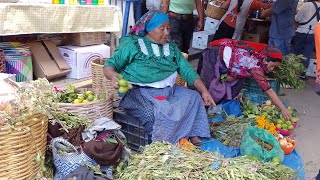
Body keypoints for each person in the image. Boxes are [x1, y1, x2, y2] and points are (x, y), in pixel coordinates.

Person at [103, 10, 215, 145]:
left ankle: (192, 133)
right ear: (149, 29)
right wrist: (114, 76)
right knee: (153, 114)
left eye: (168, 28)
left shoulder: (171, 48)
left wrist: (204, 91)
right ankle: (162, 144)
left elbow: (187, 71)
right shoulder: (132, 44)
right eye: (161, 29)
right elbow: (109, 65)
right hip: (139, 93)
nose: (166, 32)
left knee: (194, 98)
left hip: (169, 92)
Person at [197, 38, 292, 120]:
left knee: (234, 85)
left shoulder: (259, 55)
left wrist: (232, 74)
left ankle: (216, 107)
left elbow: (240, 64)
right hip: (214, 55)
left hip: (229, 60)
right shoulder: (254, 64)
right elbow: (268, 90)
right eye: (272, 66)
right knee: (206, 86)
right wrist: (283, 108)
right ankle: (199, 110)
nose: (271, 69)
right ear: (265, 59)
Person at [293, 0, 320, 80]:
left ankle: (292, 72)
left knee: (296, 53)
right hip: (313, 34)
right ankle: (302, 75)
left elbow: (297, 19)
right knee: (306, 55)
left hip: (302, 31)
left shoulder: (306, 5)